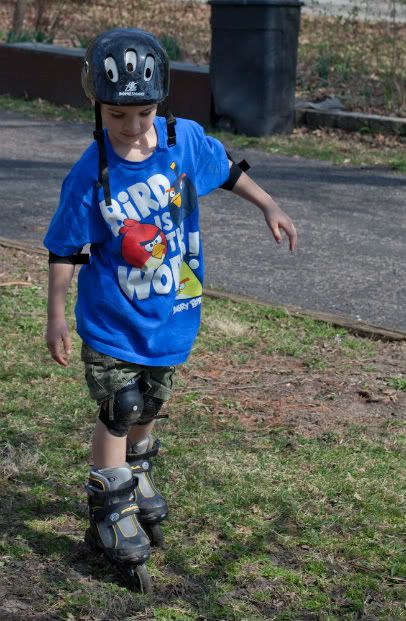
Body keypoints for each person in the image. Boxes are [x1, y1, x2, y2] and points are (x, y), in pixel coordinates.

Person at [44, 27, 297, 591]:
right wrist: (56, 315)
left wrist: (270, 205)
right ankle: (110, 505)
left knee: (151, 402)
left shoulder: (182, 141)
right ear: (97, 109)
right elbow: (65, 247)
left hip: (171, 317)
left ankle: (137, 471)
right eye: (117, 117)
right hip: (112, 321)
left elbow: (228, 169)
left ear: (161, 103)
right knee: (121, 403)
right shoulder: (91, 175)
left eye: (144, 114)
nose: (134, 130)